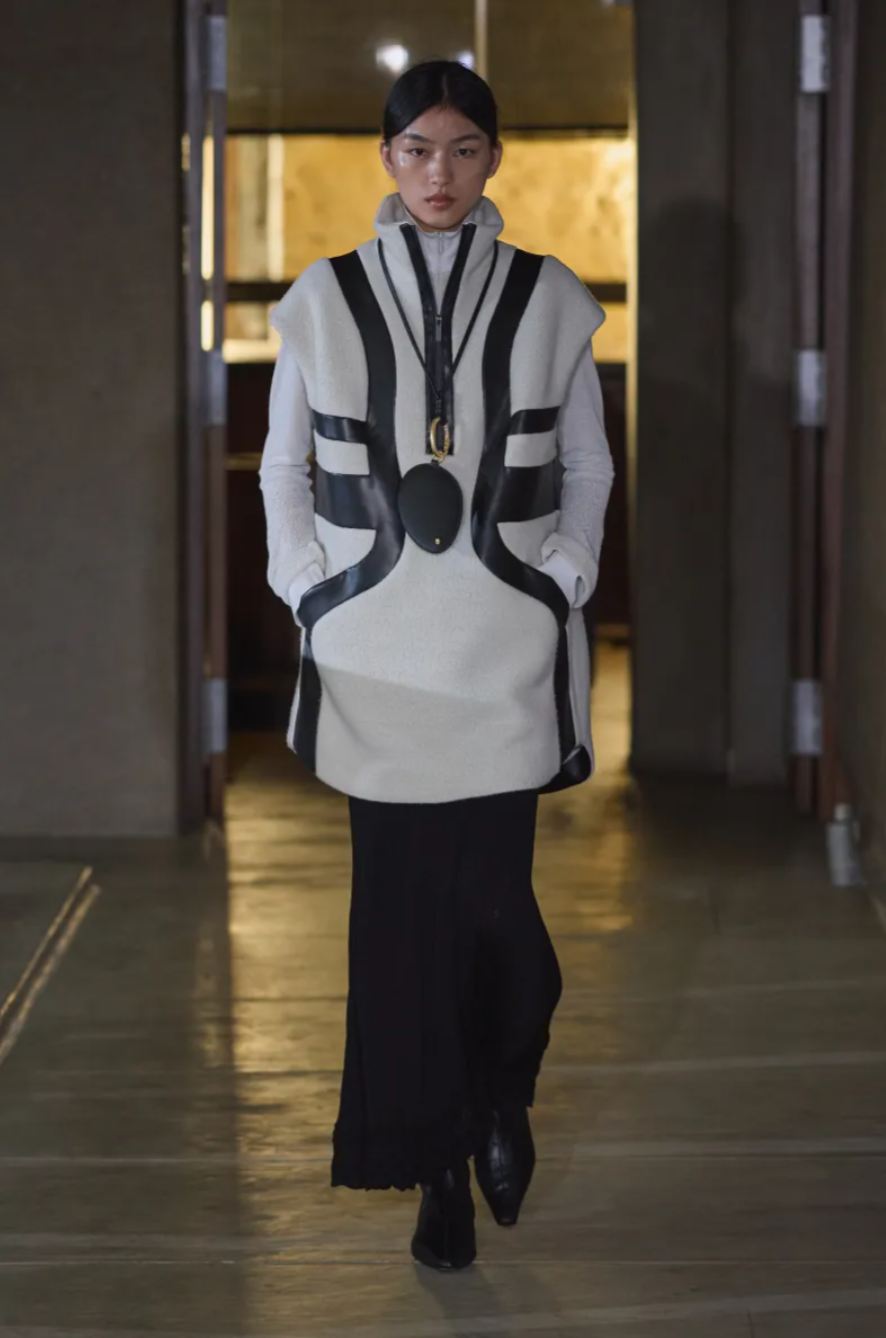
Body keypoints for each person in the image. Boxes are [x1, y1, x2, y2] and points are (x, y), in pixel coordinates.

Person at [259, 59, 614, 1271]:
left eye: (462, 149)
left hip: (501, 648)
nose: (439, 173)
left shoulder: (549, 296)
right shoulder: (324, 297)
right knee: (403, 939)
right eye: (416, 149)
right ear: (386, 158)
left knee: (498, 919)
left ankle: (501, 1092)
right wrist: (307, 590)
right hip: (377, 659)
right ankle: (441, 1177)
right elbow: (284, 466)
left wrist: (565, 578)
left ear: (493, 158)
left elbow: (586, 463)